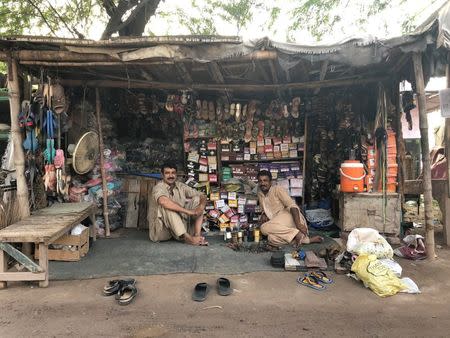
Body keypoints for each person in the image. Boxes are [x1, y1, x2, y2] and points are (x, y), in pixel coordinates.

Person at [256, 170, 322, 247]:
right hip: (278, 223)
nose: (262, 183)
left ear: (271, 182)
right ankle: (305, 240)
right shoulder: (260, 192)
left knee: (264, 228)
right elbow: (265, 208)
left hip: (290, 217)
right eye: (260, 181)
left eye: (265, 180)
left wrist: (299, 224)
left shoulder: (277, 189)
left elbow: (292, 206)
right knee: (271, 238)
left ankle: (297, 233)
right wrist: (264, 214)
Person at [149, 162, 208, 245]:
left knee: (197, 199)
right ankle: (189, 239)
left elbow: (202, 195)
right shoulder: (158, 188)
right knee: (167, 206)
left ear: (176, 174)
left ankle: (197, 235)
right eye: (167, 173)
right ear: (162, 175)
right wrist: (188, 212)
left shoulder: (180, 186)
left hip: (181, 227)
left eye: (173, 173)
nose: (171, 176)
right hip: (163, 231)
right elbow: (163, 201)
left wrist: (200, 207)